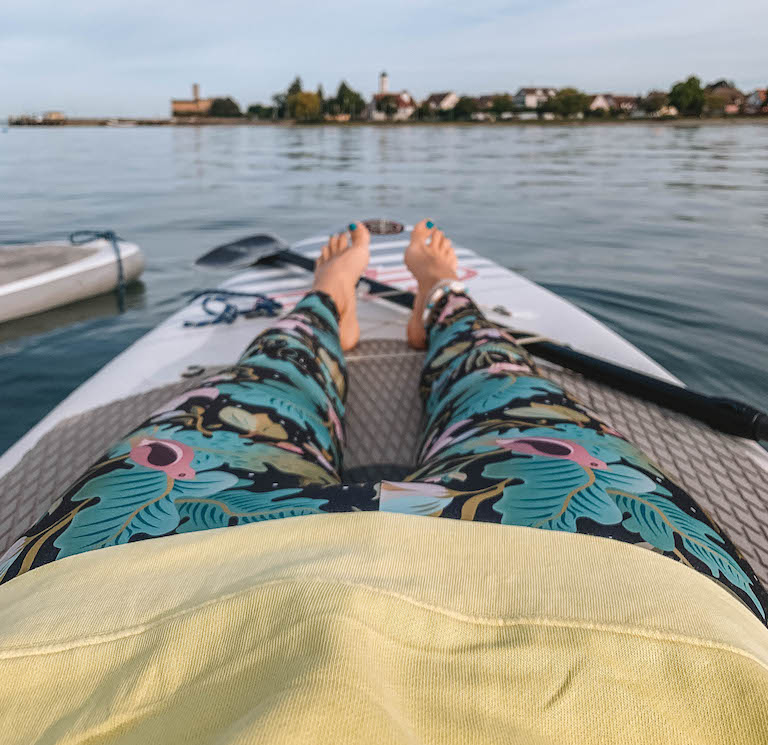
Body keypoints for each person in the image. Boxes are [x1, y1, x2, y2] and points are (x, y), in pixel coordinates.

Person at [0, 220, 766, 744]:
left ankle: (329, 308)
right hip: (619, 599)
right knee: (504, 390)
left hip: (115, 606)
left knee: (259, 393)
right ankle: (443, 305)